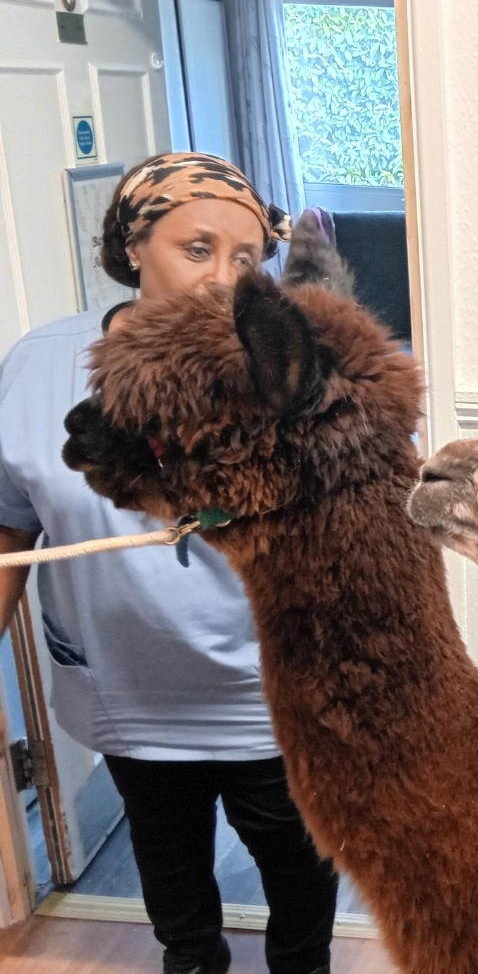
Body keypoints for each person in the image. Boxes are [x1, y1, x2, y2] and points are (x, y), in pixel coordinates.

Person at [0, 153, 337, 974]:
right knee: (175, 891)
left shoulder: (287, 367)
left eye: (246, 257)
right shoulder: (40, 366)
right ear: (133, 245)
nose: (225, 279)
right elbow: (9, 526)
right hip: (130, 694)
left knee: (300, 883)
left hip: (268, 697)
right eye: (197, 248)